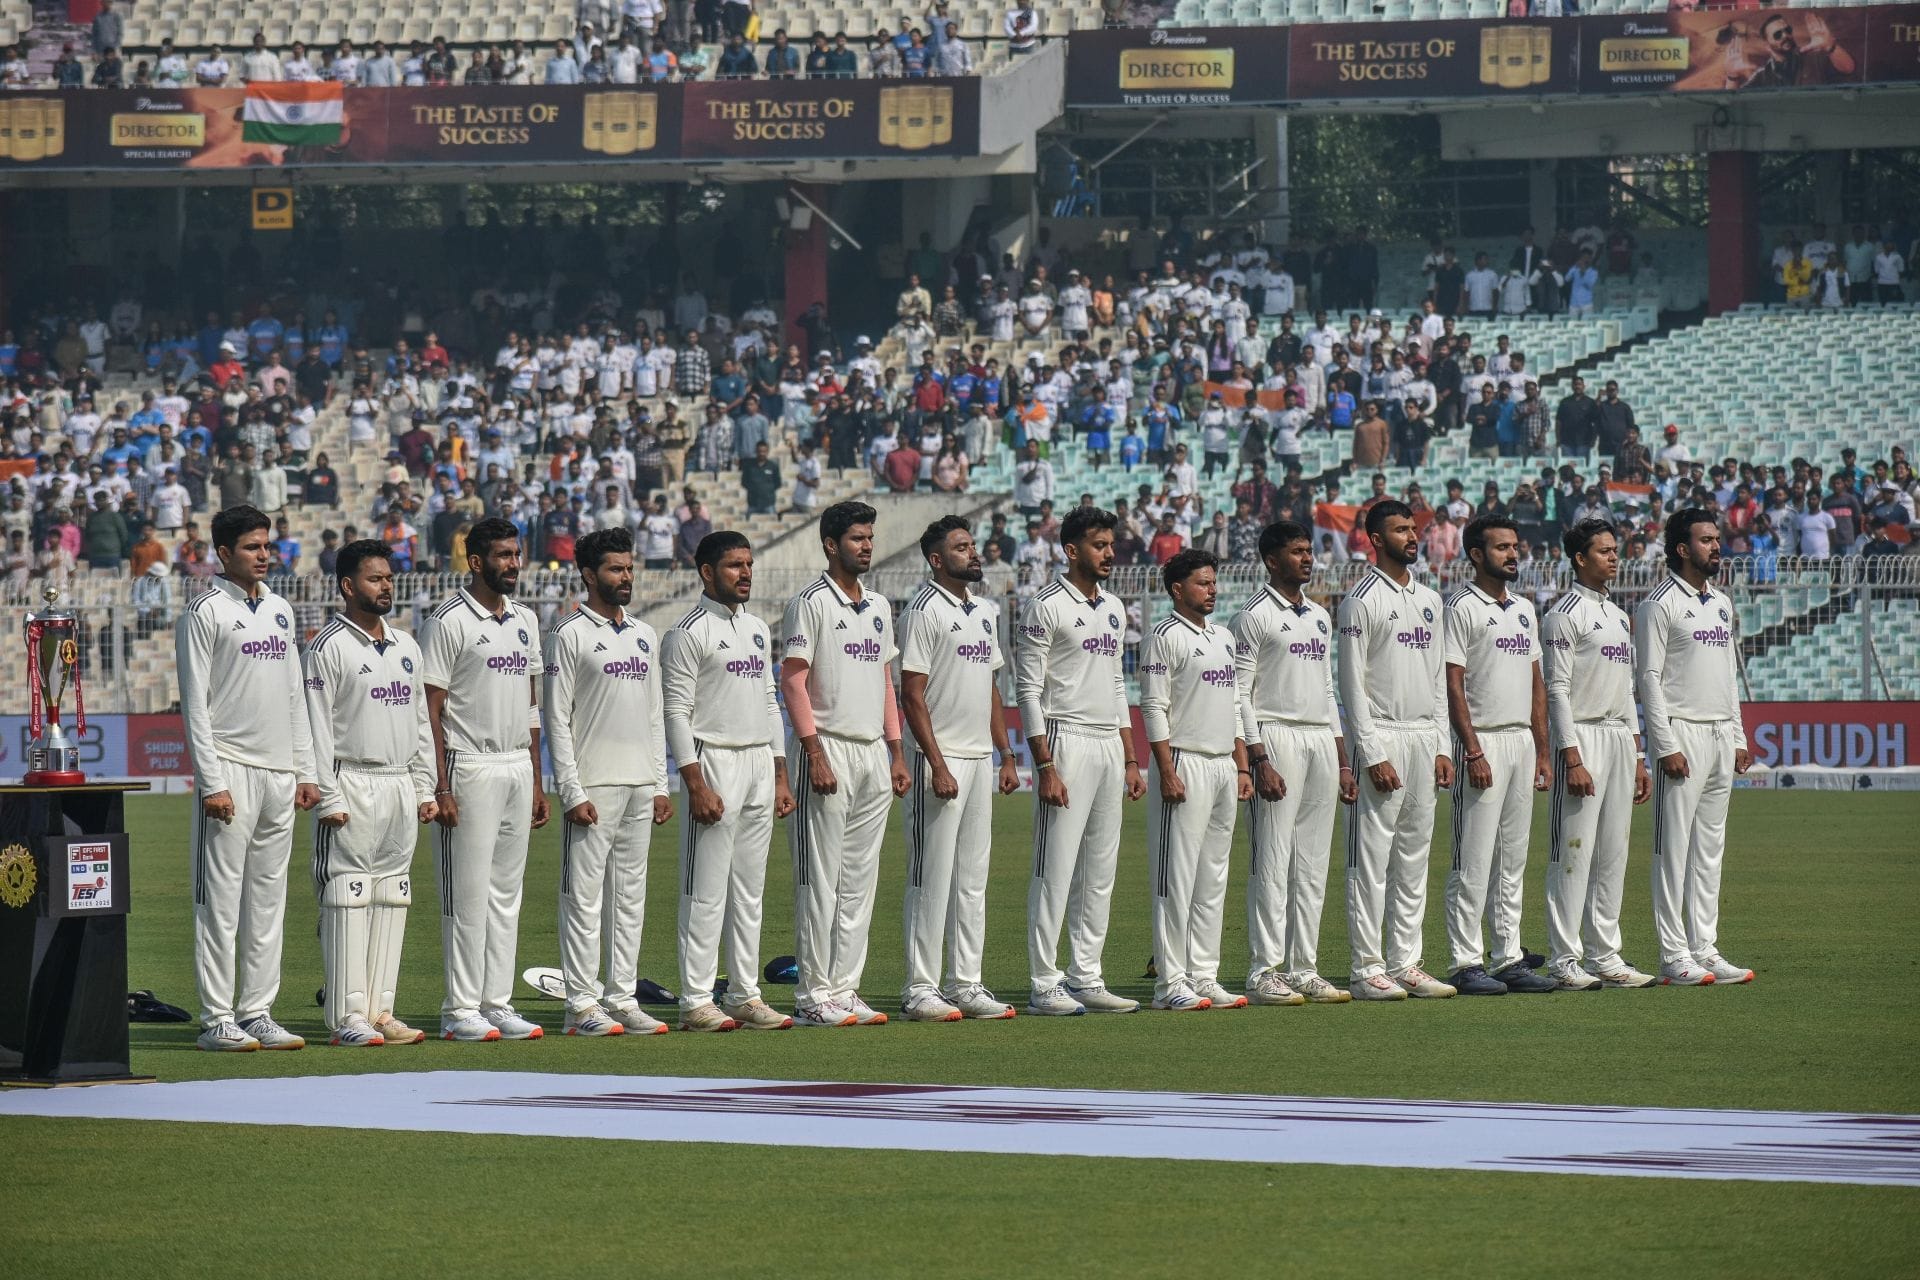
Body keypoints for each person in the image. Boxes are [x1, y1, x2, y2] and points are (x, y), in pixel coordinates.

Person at [176, 505, 321, 1051]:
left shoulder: (280, 609)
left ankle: (257, 1010)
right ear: (223, 554)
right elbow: (195, 705)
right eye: (253, 547)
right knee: (219, 901)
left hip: (280, 775)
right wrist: (212, 782)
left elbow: (292, 697)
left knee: (268, 899)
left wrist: (305, 770)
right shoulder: (205, 611)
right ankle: (217, 1018)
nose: (265, 555)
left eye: (267, 545)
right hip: (231, 771)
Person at [543, 528, 681, 1037]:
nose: (626, 578)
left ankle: (622, 998)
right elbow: (556, 718)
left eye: (629, 568)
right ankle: (581, 1005)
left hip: (639, 784)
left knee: (629, 897)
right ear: (588, 574)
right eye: (615, 569)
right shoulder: (568, 633)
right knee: (583, 898)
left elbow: (653, 713)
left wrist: (661, 781)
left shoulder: (644, 634)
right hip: (593, 786)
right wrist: (572, 790)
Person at [780, 502, 912, 1027]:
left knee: (860, 877)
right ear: (831, 544)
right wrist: (813, 752)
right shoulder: (809, 602)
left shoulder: (878, 604)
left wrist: (896, 750)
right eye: (856, 538)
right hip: (828, 745)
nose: (866, 545)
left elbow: (884, 681)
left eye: (869, 537)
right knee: (820, 877)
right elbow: (792, 680)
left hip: (871, 752)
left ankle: (846, 987)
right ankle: (814, 994)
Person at [302, 540, 437, 1048]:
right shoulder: (327, 646)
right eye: (375, 578)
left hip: (400, 782)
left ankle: (382, 1010)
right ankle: (346, 1016)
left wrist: (425, 785)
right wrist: (329, 797)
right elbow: (316, 729)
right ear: (347, 585)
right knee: (347, 895)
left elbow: (421, 723)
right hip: (351, 779)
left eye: (388, 578)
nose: (386, 586)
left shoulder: (406, 647)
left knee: (392, 895)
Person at [422, 517, 551, 1042]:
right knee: (466, 894)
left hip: (516, 764)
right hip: (468, 764)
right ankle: (460, 1008)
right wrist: (441, 785)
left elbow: (532, 707)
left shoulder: (525, 619)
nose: (513, 563)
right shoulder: (448, 619)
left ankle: (496, 1002)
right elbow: (428, 709)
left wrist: (538, 779)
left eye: (516, 554)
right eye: (502, 555)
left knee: (506, 894)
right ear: (476, 562)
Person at [662, 532, 798, 1032]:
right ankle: (696, 1000)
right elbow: (675, 712)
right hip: (713, 759)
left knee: (749, 889)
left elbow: (768, 700)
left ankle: (744, 994)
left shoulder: (758, 628)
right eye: (734, 565)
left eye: (749, 564)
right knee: (704, 890)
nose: (745, 573)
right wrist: (694, 782)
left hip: (759, 763)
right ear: (706, 572)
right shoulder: (688, 632)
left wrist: (781, 772)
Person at [1015, 506, 1145, 1016]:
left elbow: (1117, 684)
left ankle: (1086, 975)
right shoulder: (1045, 606)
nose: (1110, 553)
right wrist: (1044, 765)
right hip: (1065, 739)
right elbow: (1027, 690)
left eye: (1111, 544)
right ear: (1072, 550)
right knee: (1055, 866)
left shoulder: (1113, 606)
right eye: (1099, 545)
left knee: (1099, 869)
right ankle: (1044, 981)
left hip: (1108, 746)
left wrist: (1131, 758)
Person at [897, 516, 1023, 1021]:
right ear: (935, 559)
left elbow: (992, 688)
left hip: (978, 760)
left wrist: (1006, 754)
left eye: (973, 545)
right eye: (962, 547)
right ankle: (920, 987)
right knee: (930, 875)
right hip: (940, 761)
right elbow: (911, 692)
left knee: (973, 877)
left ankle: (966, 982)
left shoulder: (985, 611)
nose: (974, 554)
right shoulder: (922, 611)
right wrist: (935, 761)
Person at [1231, 520, 1355, 1006]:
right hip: (1276, 735)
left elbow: (1328, 692)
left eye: (1309, 550)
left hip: (1319, 739)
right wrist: (1258, 757)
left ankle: (1305, 967)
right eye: (1297, 552)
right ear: (1271, 560)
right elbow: (1240, 696)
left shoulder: (1320, 617)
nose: (1307, 558)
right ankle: (1265, 970)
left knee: (1312, 862)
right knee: (1272, 859)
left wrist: (1343, 760)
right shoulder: (1253, 616)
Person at [1336, 501, 1456, 1001]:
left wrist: (1443, 745)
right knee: (1371, 858)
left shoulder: (1430, 599)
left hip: (1423, 737)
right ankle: (1367, 968)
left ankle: (1406, 961)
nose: (1412, 536)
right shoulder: (1359, 600)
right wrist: (1369, 752)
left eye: (1414, 528)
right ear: (1375, 539)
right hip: (1383, 735)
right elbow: (1350, 682)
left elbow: (1435, 679)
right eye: (1400, 530)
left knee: (1414, 855)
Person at [1636, 509, 1755, 987]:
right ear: (1682, 549)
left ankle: (1705, 948)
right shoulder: (1659, 604)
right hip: (1680, 733)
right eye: (1706, 540)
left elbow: (1728, 674)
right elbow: (1647, 678)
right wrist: (1663, 743)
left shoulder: (1722, 604)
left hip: (1719, 734)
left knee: (1710, 849)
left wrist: (1740, 735)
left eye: (1717, 538)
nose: (1716, 546)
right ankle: (1673, 954)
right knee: (1673, 848)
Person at [1441, 517, 1555, 997]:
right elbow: (1452, 683)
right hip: (1483, 741)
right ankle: (1464, 960)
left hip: (1521, 744)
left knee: (1513, 857)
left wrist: (1543, 750)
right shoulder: (1461, 607)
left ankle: (1508, 956)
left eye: (1515, 546)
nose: (1513, 554)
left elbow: (1536, 683)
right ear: (1475, 554)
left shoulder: (1525, 609)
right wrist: (1471, 749)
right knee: (1474, 857)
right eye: (1502, 547)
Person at [1541, 519, 1657, 991]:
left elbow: (1627, 690)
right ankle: (1564, 958)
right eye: (1605, 551)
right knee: (1573, 852)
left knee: (1613, 852)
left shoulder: (1616, 614)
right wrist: (1571, 756)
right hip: (1582, 737)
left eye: (1616, 550)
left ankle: (1605, 954)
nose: (1615, 558)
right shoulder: (1562, 614)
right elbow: (1557, 690)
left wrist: (1637, 754)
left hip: (1616, 736)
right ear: (1579, 558)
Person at [1139, 549, 1252, 1014]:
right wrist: (1166, 769)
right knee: (1176, 877)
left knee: (1213, 877)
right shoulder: (1163, 636)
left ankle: (1204, 974)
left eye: (1213, 582)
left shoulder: (1224, 637)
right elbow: (1152, 706)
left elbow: (1236, 706)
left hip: (1223, 764)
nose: (1212, 590)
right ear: (1177, 589)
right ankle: (1171, 981)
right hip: (1184, 761)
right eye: (1203, 583)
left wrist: (1243, 765)